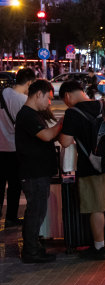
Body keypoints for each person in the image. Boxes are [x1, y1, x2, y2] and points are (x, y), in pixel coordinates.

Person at [58, 80, 105, 260]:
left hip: (91, 166)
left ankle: (99, 247)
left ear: (67, 96)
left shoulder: (72, 113)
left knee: (96, 207)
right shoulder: (103, 105)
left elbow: (65, 142)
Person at [15, 79, 62, 263]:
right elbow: (46, 135)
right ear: (38, 94)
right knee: (35, 211)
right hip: (33, 172)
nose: (49, 102)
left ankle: (33, 247)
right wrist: (62, 123)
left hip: (37, 171)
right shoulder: (27, 115)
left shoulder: (33, 114)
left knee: (37, 210)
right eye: (48, 98)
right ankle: (30, 251)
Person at [0, 68, 36, 227]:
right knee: (14, 185)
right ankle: (10, 218)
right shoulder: (23, 101)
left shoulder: (3, 93)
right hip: (14, 148)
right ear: (29, 83)